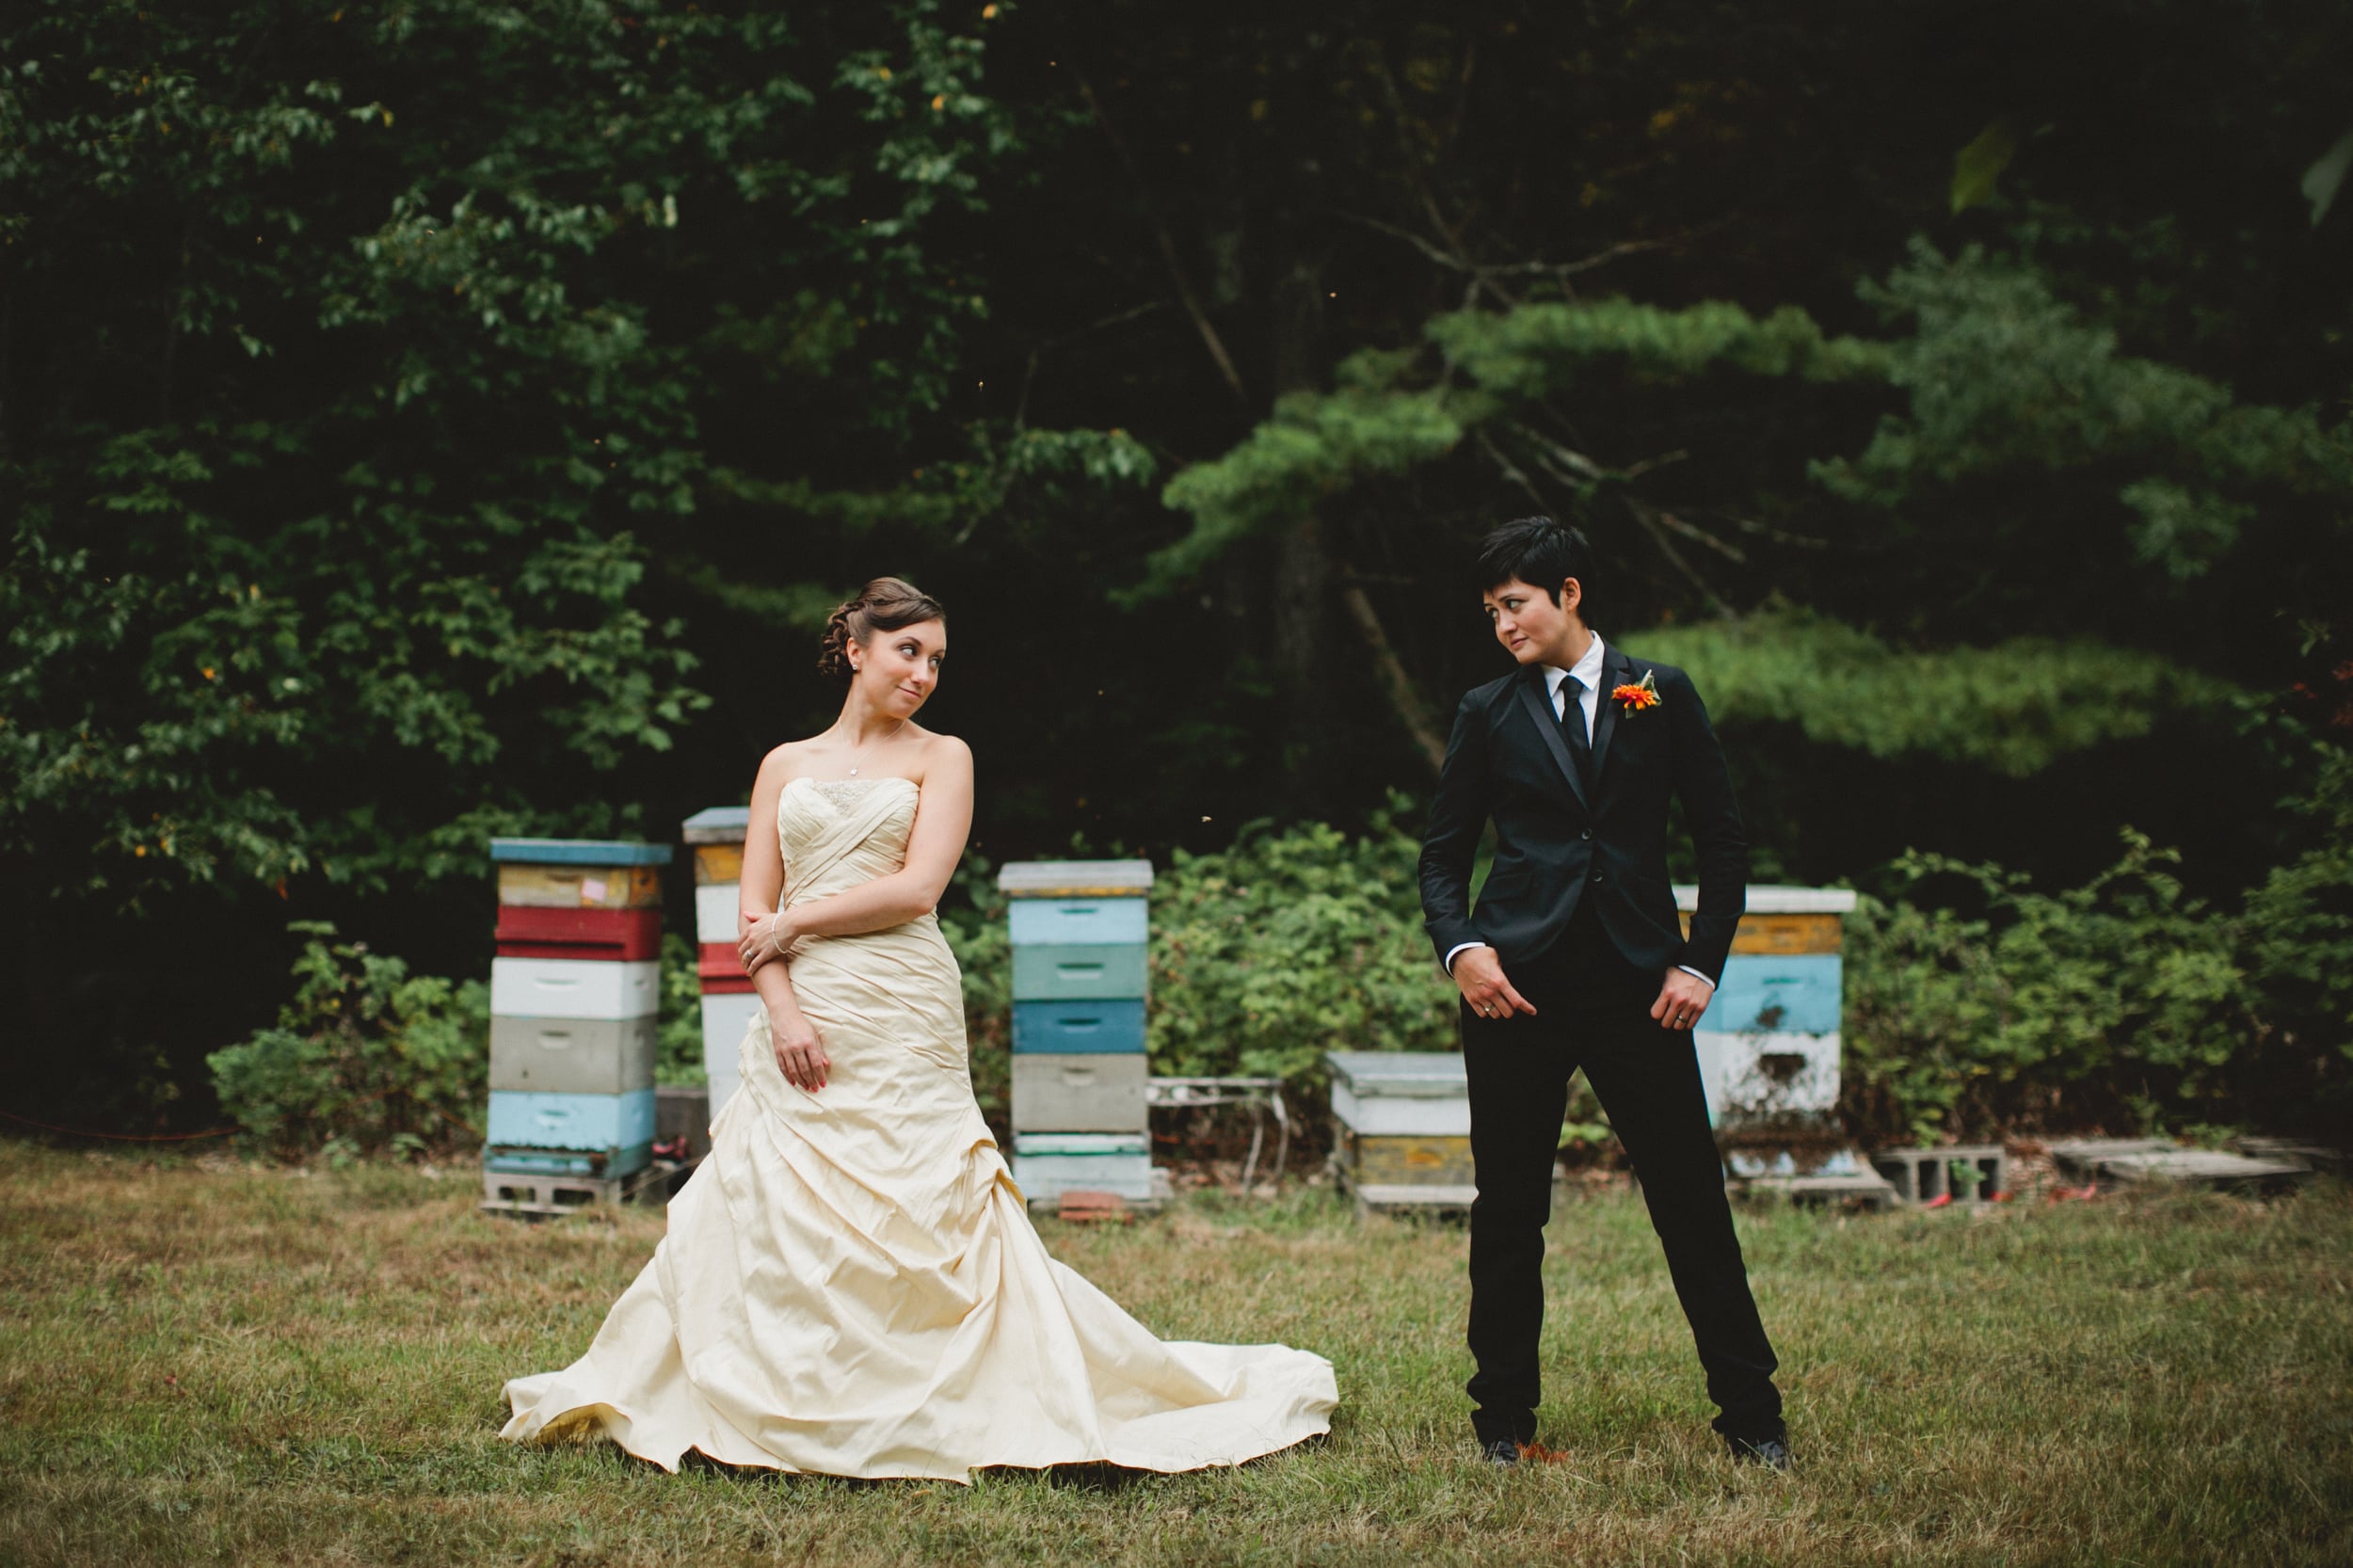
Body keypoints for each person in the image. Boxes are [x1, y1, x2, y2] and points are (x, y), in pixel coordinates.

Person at [501, 577, 1336, 1481]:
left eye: (937, 659)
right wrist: (781, 1004)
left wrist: (793, 924)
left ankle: (944, 1395)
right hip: (803, 998)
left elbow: (917, 889)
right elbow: (752, 907)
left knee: (922, 1195)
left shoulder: (944, 756)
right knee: (771, 1193)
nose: (926, 673)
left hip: (899, 999)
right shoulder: (783, 763)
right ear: (857, 649)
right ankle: (786, 1391)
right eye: (910, 652)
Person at [1417, 519, 1788, 1470]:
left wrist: (1699, 961)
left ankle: (1753, 1418)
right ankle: (1502, 1422)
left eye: (1516, 604)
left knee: (1691, 1203)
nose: (1502, 624)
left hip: (1639, 989)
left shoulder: (1661, 694)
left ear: (1568, 593)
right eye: (1490, 610)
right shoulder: (1486, 710)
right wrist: (1462, 949)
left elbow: (1722, 840)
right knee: (1508, 1211)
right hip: (1516, 993)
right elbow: (1442, 857)